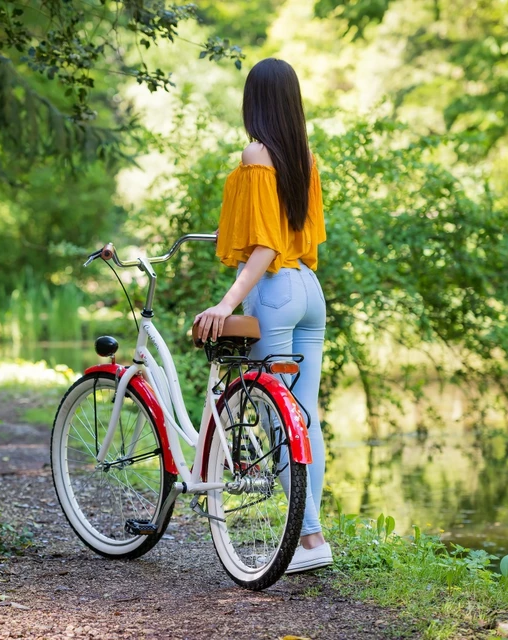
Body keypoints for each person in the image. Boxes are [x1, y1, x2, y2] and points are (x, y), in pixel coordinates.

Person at [193, 57, 330, 574]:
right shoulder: (304, 158)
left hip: (274, 292)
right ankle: (310, 534)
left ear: (254, 101)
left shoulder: (257, 154)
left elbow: (266, 245)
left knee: (278, 418)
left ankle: (310, 539)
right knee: (305, 417)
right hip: (309, 291)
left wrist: (227, 302)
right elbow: (300, 239)